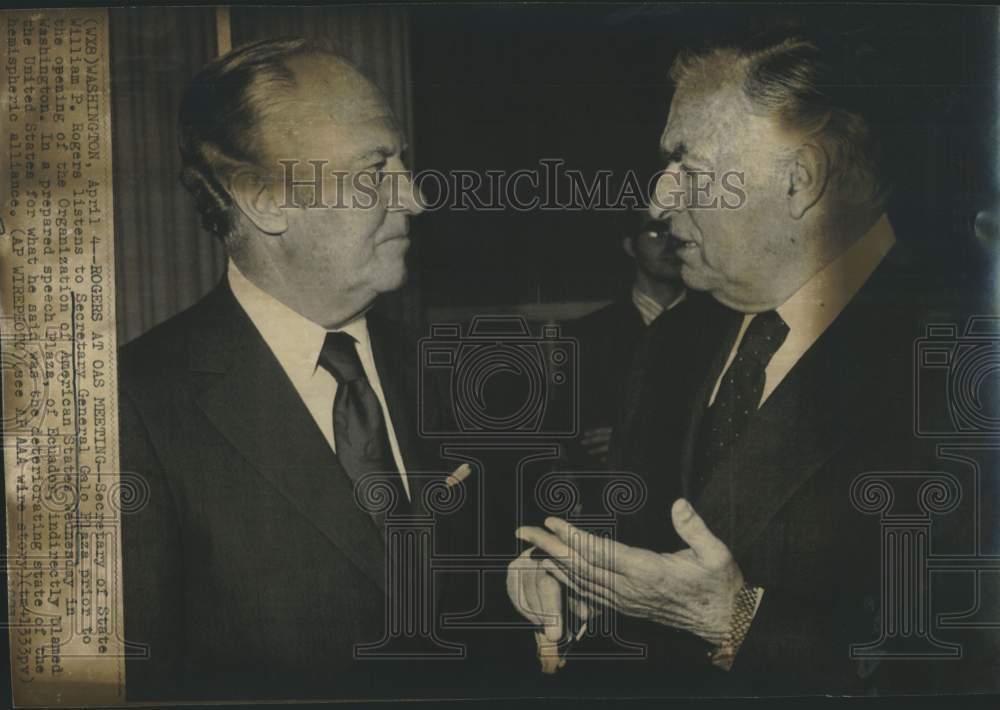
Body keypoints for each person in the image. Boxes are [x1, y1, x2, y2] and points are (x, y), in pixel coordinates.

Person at [508, 25, 998, 694]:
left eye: (690, 169)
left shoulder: (967, 361)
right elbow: (636, 547)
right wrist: (582, 584)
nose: (658, 200)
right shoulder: (673, 340)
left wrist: (736, 620)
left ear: (799, 181)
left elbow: (968, 666)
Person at [119, 38, 471, 700]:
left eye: (403, 159)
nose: (415, 197)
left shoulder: (447, 371)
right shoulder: (135, 408)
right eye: (374, 168)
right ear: (265, 199)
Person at [562, 212, 687, 468]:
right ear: (630, 245)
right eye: (656, 233)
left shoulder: (719, 326)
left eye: (678, 231)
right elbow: (583, 433)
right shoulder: (589, 334)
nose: (671, 242)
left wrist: (638, 442)